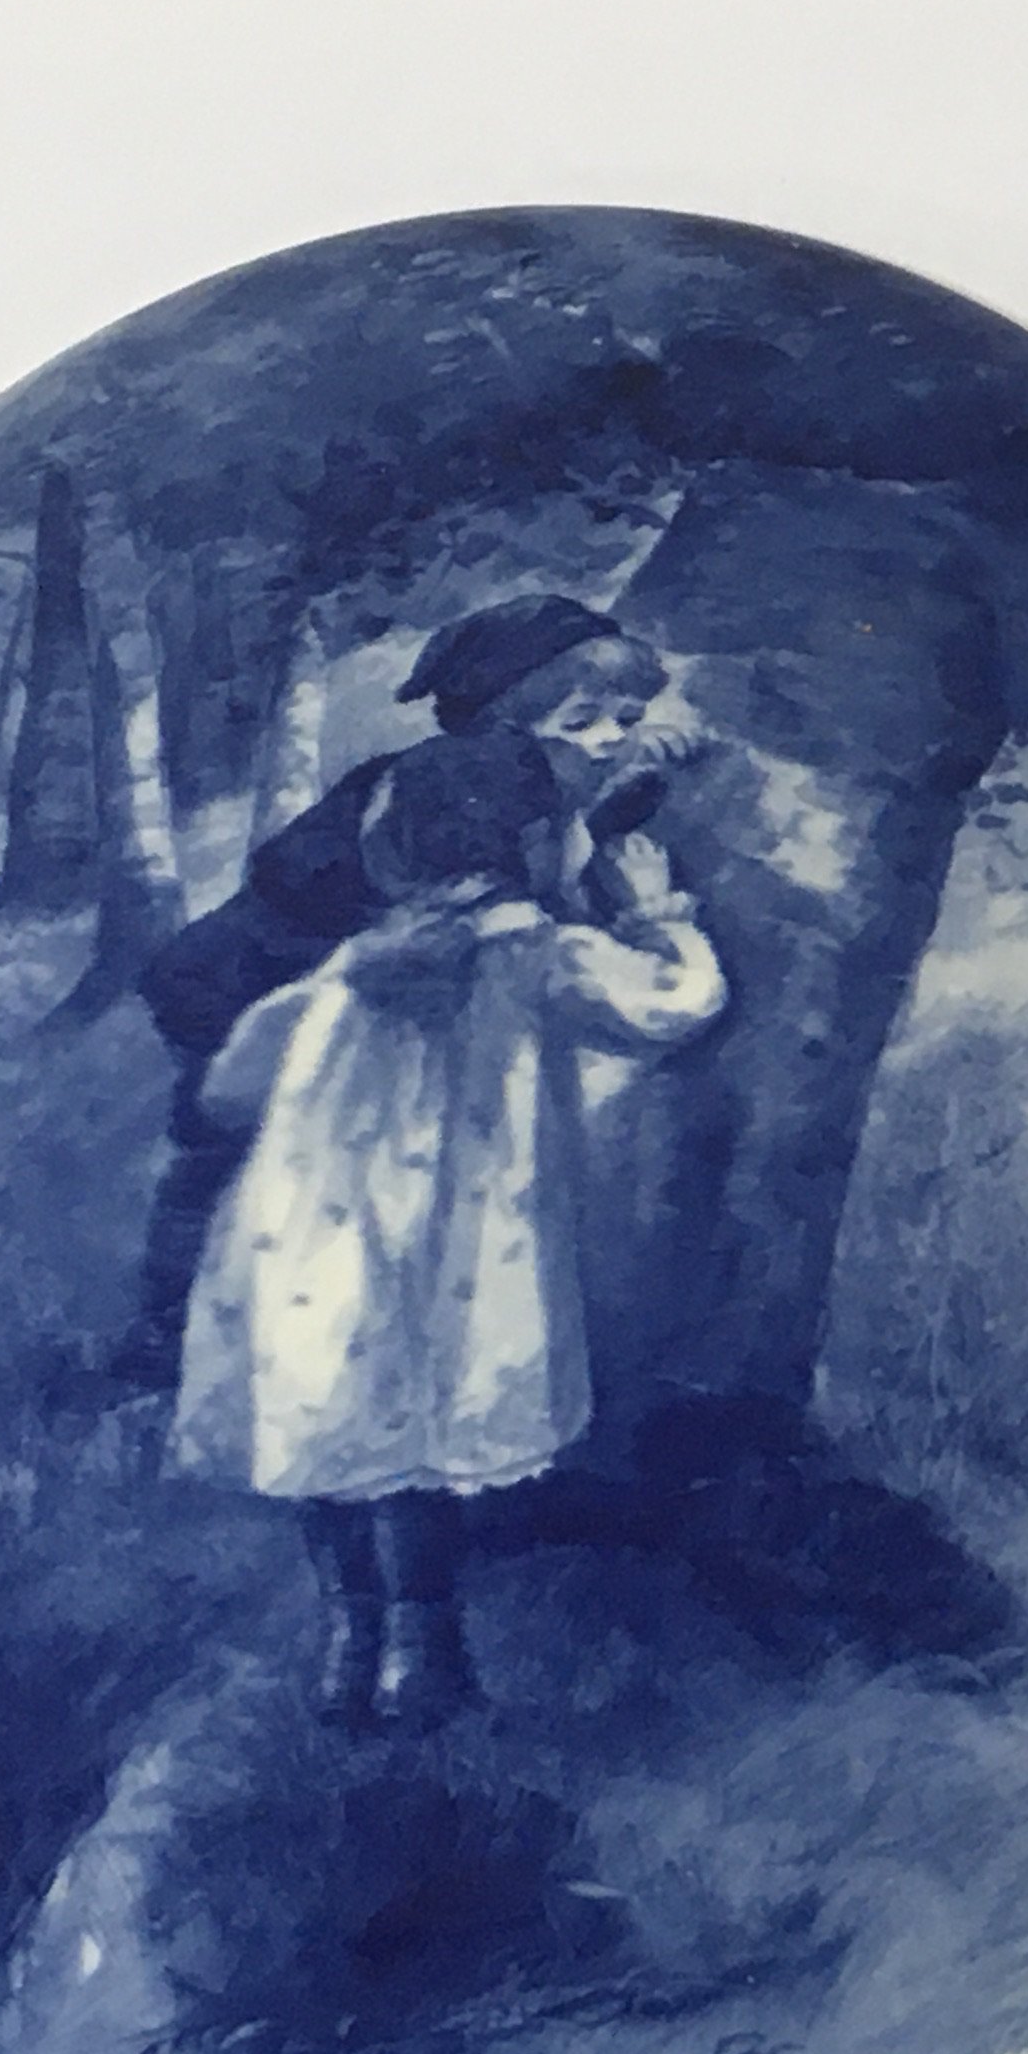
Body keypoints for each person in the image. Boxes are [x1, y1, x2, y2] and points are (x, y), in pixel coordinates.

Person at [169, 726, 727, 1730]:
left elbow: (227, 1090)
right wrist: (658, 911)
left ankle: (348, 1641)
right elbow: (679, 1005)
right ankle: (418, 1653)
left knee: (332, 1425)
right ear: (537, 846)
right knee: (419, 1448)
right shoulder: (541, 956)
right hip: (459, 1244)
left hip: (315, 1240)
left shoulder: (356, 964)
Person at [121, 595, 684, 1387]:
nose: (610, 740)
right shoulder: (453, 783)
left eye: (626, 719)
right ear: (504, 723)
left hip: (338, 976)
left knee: (316, 1159)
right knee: (235, 1147)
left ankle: (287, 1333)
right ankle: (172, 1334)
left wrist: (616, 781)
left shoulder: (510, 775)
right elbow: (497, 887)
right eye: (584, 721)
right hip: (248, 978)